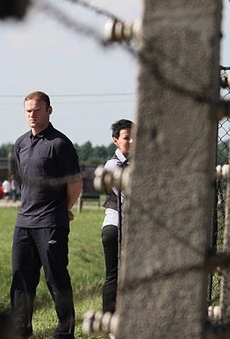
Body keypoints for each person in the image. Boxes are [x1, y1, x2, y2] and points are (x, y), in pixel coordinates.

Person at [9, 91, 83, 339]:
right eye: (28, 110)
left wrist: (64, 209)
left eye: (37, 110)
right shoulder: (20, 143)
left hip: (51, 223)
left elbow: (75, 184)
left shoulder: (60, 144)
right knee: (21, 280)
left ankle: (64, 333)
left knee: (56, 279)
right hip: (24, 223)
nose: (32, 115)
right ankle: (20, 329)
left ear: (49, 111)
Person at [100, 119, 133, 339]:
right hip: (115, 225)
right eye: (126, 137)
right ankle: (110, 324)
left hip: (135, 227)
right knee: (114, 274)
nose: (131, 141)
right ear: (115, 140)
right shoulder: (113, 166)